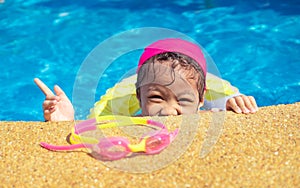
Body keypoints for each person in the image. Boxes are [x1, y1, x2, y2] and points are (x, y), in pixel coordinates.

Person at [34, 38, 258, 121]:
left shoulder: (212, 102)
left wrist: (236, 104)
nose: (169, 112)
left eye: (183, 101)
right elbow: (92, 131)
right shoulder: (115, 105)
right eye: (156, 98)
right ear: (139, 99)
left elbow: (230, 107)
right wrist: (66, 122)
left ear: (201, 100)